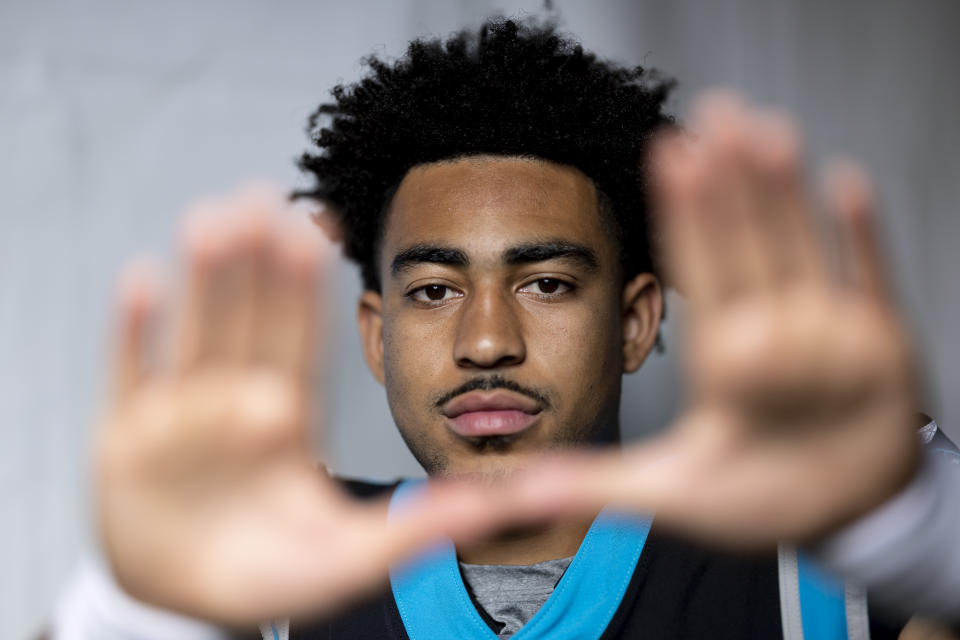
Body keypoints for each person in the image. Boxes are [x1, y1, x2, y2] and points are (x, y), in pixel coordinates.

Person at [51, 16, 959, 640]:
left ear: (637, 322)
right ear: (375, 335)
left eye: (549, 283)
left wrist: (916, 518)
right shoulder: (269, 565)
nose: (487, 342)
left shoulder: (823, 554)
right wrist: (133, 609)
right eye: (435, 291)